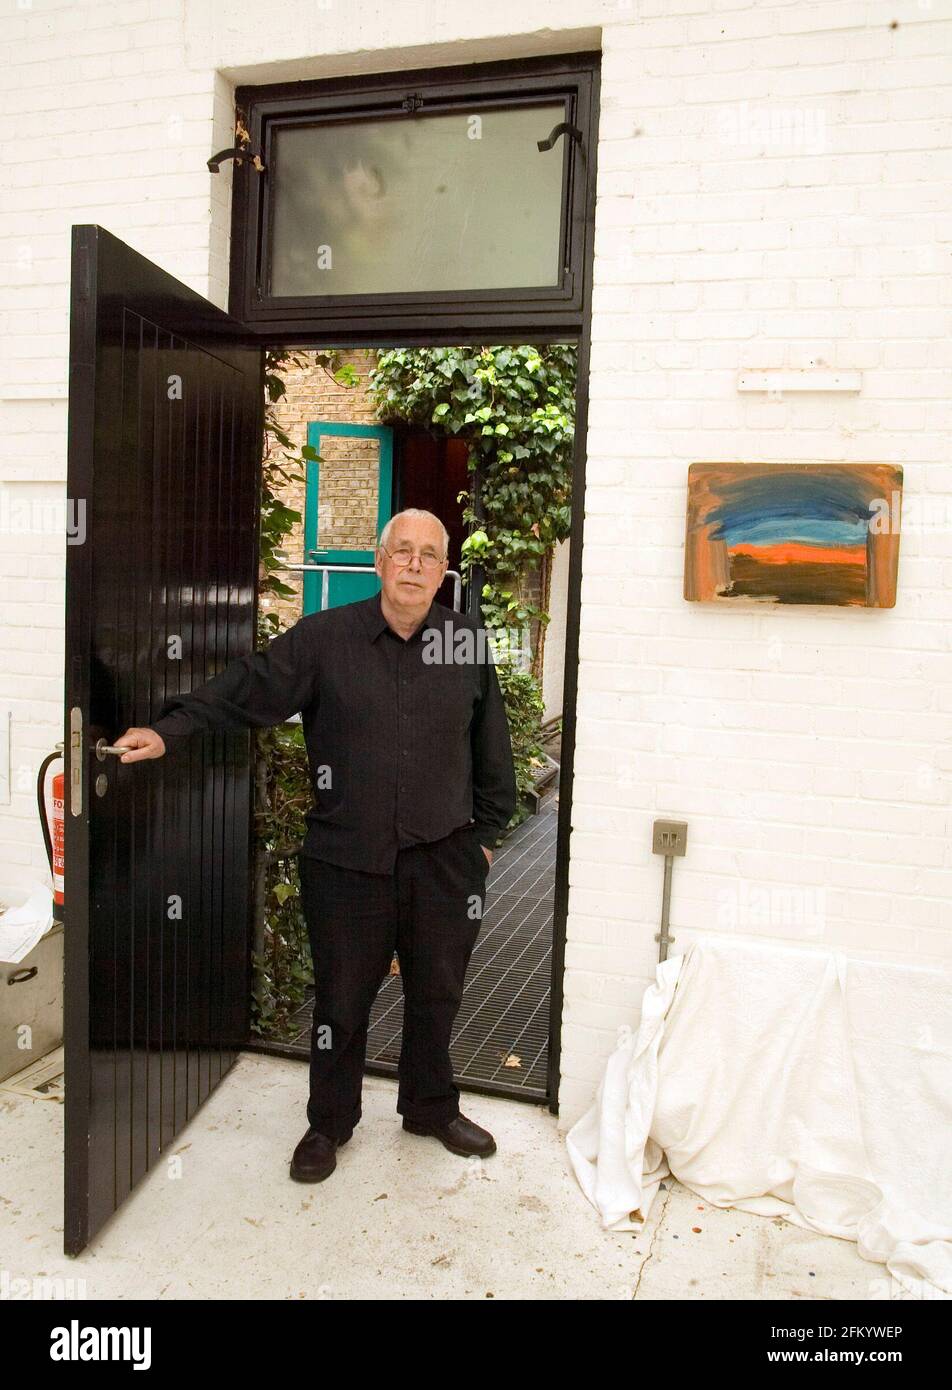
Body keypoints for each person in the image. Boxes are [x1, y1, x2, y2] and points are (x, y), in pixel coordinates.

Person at [114, 508, 518, 1184]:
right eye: (403, 552)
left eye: (429, 555)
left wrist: (482, 841)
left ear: (443, 572)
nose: (415, 565)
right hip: (346, 861)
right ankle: (330, 1122)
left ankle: (429, 1106)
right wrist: (172, 728)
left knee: (437, 992)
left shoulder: (465, 642)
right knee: (340, 1000)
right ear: (380, 562)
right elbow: (250, 688)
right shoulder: (326, 638)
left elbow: (492, 748)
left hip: (444, 859)